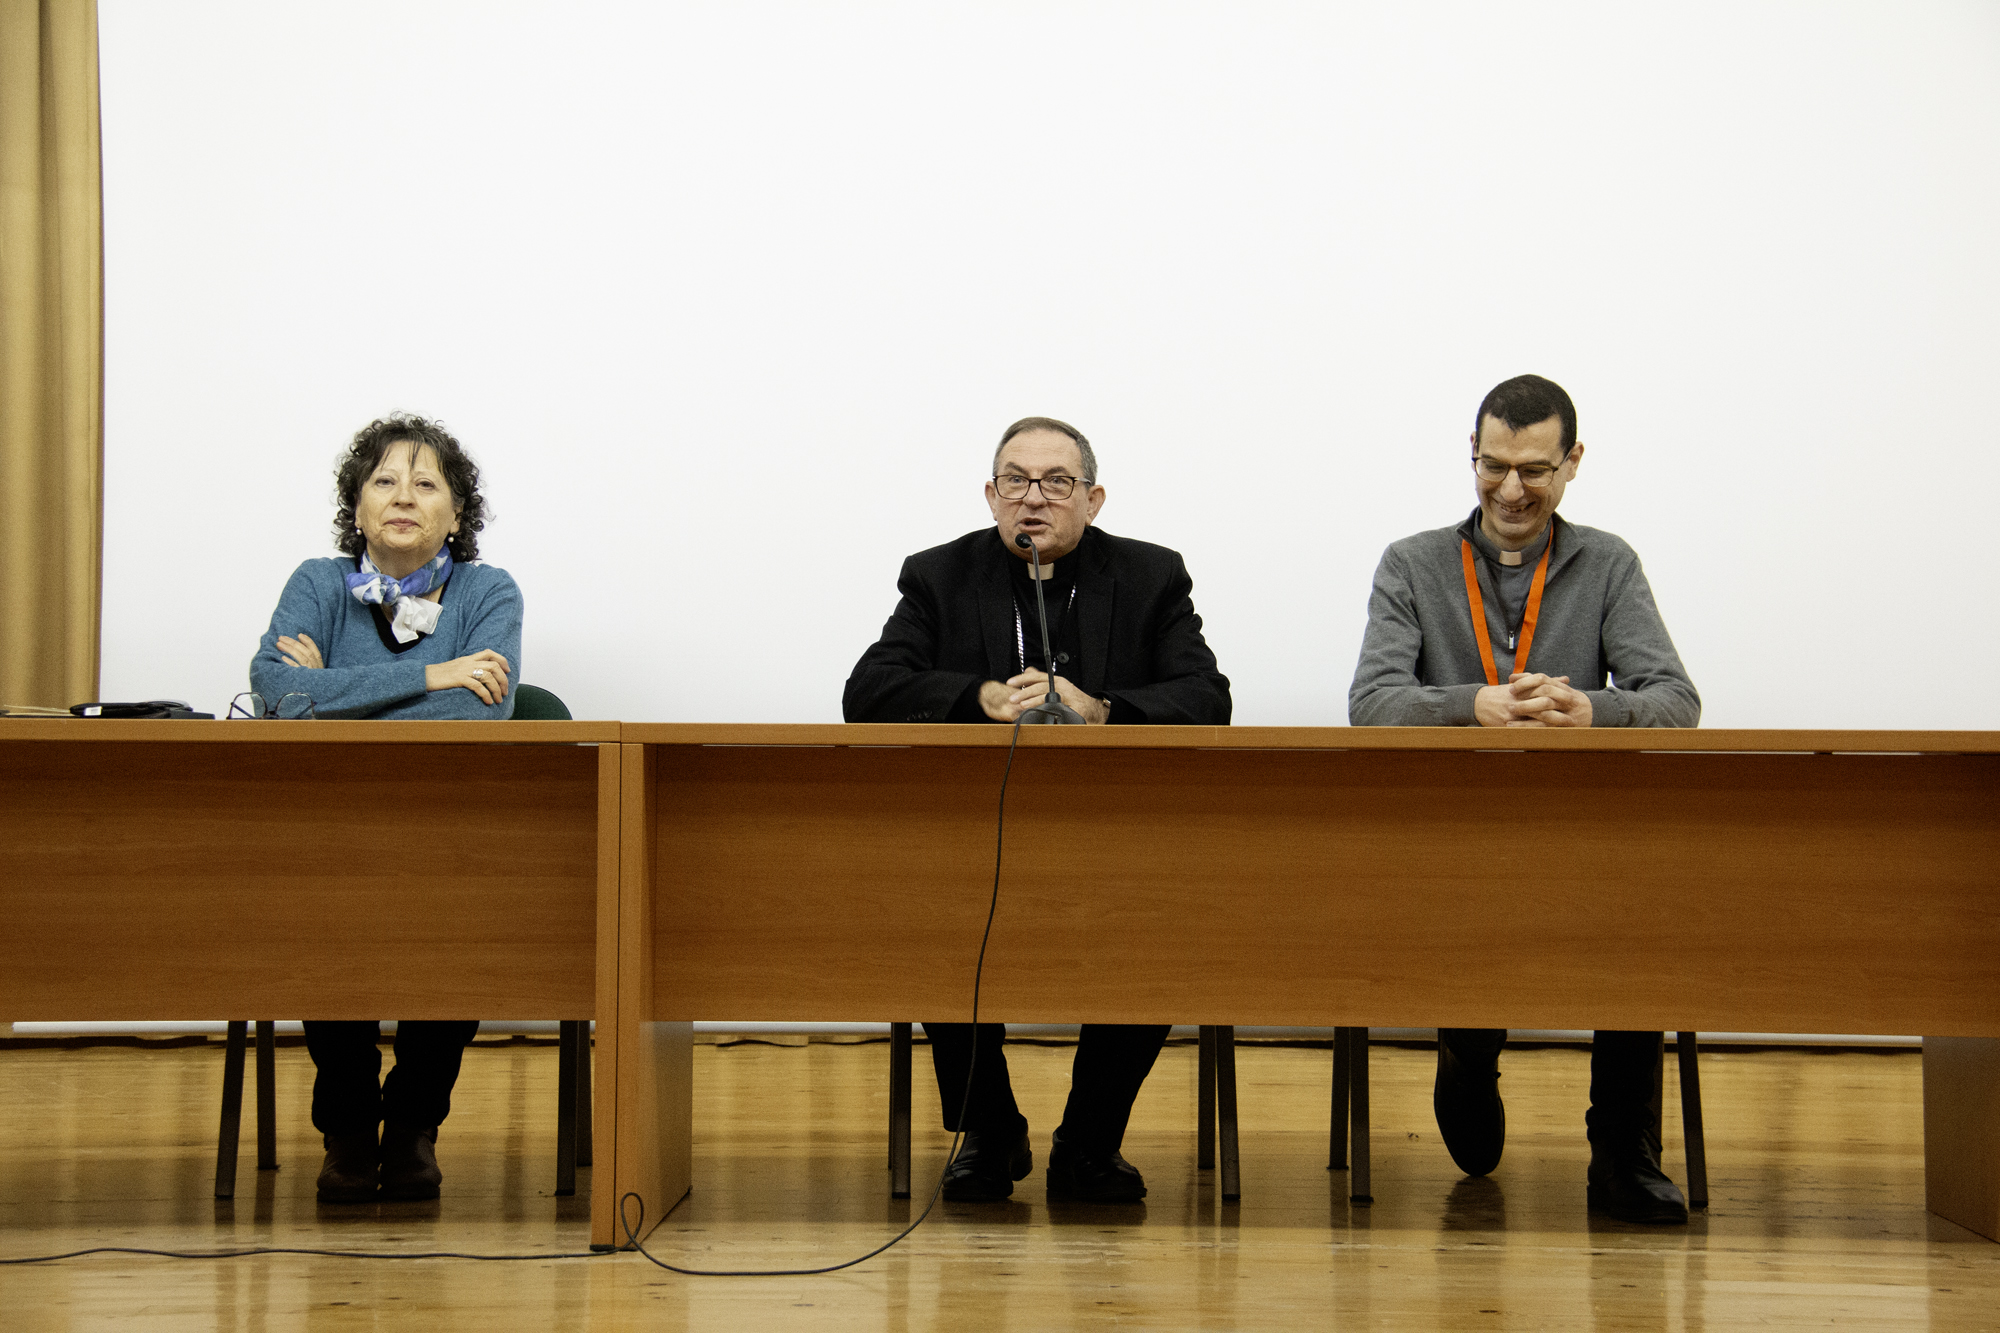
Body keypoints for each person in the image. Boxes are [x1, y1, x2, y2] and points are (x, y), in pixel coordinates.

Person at [844, 416, 1231, 1203]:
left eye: (1056, 482)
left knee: (1159, 926)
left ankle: (1090, 1141)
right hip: (977, 837)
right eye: (1015, 481)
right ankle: (989, 1132)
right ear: (991, 496)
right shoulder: (939, 575)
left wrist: (1103, 709)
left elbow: (1208, 698)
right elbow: (868, 691)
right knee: (936, 920)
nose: (1034, 499)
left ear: (1092, 498)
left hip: (1117, 841)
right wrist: (978, 696)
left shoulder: (1151, 575)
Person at [1349, 374, 1701, 1225]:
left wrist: (1594, 711)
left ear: (1572, 462)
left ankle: (1622, 1149)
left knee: (1640, 912)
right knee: (1472, 898)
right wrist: (1472, 703)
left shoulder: (1608, 561)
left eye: (1534, 469)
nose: (1511, 489)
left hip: (1578, 833)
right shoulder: (1412, 562)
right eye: (1494, 466)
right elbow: (1372, 702)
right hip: (1448, 837)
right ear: (1471, 455)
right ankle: (1467, 1051)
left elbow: (1675, 700)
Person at [248, 412, 522, 1203]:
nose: (403, 496)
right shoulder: (317, 582)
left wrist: (328, 691)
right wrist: (434, 675)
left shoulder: (488, 592)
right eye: (385, 481)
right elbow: (275, 692)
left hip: (451, 832)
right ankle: (346, 1127)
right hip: (327, 829)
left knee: (469, 923)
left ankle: (411, 1123)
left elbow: (480, 711)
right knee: (320, 913)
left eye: (426, 483)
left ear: (456, 514)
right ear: (358, 507)